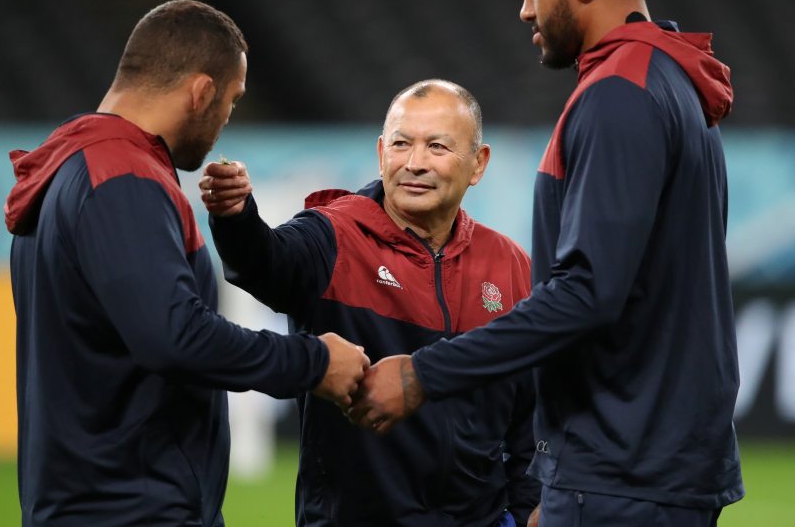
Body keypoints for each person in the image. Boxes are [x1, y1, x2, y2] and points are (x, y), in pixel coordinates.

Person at [348, 0, 744, 527]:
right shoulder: (670, 83)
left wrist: (424, 374)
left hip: (623, 469)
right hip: (648, 464)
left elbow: (587, 294)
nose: (525, 11)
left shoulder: (619, 95)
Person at [4, 0, 370, 527]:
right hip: (132, 507)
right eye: (231, 101)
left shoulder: (73, 167)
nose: (226, 118)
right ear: (201, 92)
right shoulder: (122, 178)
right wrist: (312, 363)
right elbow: (173, 335)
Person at [200, 80, 541, 526]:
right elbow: (265, 263)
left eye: (437, 147)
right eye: (401, 144)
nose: (415, 163)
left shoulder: (510, 265)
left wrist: (529, 504)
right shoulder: (333, 236)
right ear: (381, 153)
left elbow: (527, 416)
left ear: (478, 164)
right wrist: (235, 218)